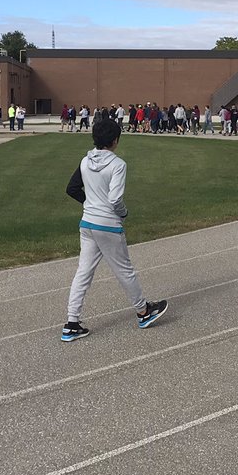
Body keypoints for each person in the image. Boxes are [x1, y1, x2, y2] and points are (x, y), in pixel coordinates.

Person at [61, 117, 168, 341]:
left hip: (87, 224)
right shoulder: (118, 165)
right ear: (115, 140)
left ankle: (72, 323)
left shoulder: (85, 161)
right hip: (108, 225)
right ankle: (143, 311)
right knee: (124, 270)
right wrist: (122, 213)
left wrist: (90, 204)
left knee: (83, 272)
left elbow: (72, 188)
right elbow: (115, 199)